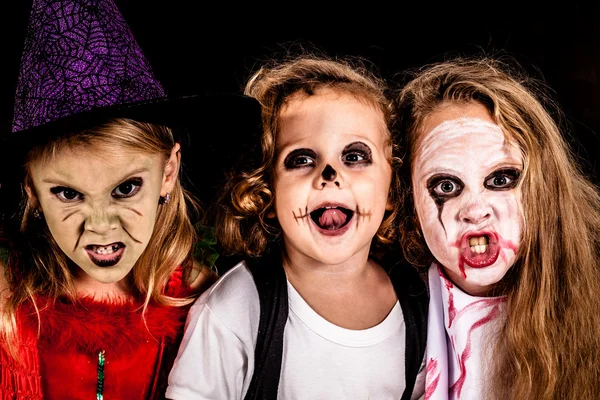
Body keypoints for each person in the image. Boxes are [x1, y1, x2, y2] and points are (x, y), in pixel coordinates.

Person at [0, 0, 260, 399]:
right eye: (68, 194)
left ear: (168, 172)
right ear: (31, 190)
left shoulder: (206, 303)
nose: (101, 224)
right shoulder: (7, 304)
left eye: (125, 188)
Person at [166, 50, 429, 399]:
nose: (330, 175)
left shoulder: (419, 306)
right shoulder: (237, 308)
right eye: (301, 159)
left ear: (392, 189)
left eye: (354, 156)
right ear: (267, 193)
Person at [395, 55, 600, 399]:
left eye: (501, 179)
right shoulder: (384, 322)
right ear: (409, 203)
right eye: (446, 186)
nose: (475, 211)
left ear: (543, 189)